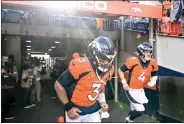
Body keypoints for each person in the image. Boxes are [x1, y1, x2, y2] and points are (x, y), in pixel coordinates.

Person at [54, 36, 116, 122]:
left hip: (93, 109)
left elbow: (101, 86)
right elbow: (58, 84)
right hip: (75, 110)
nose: (106, 63)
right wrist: (68, 107)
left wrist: (102, 101)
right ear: (95, 55)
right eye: (103, 58)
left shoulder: (110, 68)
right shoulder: (81, 65)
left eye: (109, 59)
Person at [118, 42, 159, 123]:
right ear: (141, 52)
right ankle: (129, 119)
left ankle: (128, 120)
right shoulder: (133, 61)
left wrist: (154, 80)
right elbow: (120, 70)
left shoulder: (153, 62)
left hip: (140, 90)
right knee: (140, 110)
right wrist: (124, 82)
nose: (148, 53)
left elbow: (155, 73)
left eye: (149, 52)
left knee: (133, 108)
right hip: (131, 89)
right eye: (146, 51)